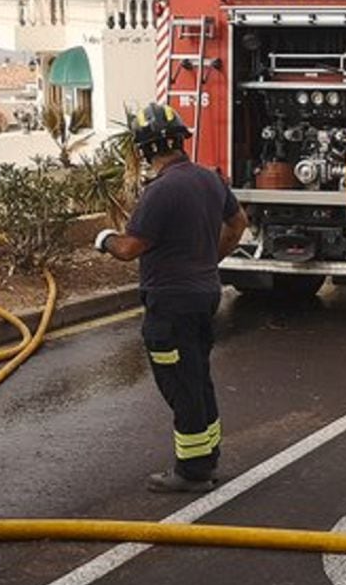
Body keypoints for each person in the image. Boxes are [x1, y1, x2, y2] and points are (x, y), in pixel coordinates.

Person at [95, 102, 248, 493]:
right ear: (180, 141)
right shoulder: (209, 180)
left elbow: (130, 248)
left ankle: (192, 472)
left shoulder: (161, 192)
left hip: (170, 304)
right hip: (203, 295)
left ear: (145, 150)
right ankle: (206, 454)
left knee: (179, 382)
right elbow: (238, 223)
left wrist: (104, 240)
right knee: (196, 375)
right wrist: (210, 258)